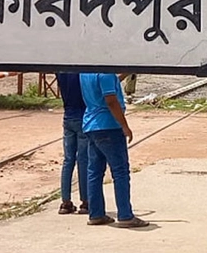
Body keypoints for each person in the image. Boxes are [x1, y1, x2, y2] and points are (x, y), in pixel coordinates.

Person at [79, 73, 148, 228]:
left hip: (91, 124)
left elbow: (109, 82)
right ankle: (125, 215)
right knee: (120, 171)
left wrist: (125, 72)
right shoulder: (105, 73)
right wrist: (124, 125)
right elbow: (110, 100)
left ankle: (96, 213)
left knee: (94, 172)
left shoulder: (85, 72)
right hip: (109, 125)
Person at [57, 72, 88, 215]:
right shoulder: (83, 71)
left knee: (68, 160)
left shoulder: (61, 72)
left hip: (67, 116)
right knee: (83, 159)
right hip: (82, 116)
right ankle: (85, 201)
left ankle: (65, 201)